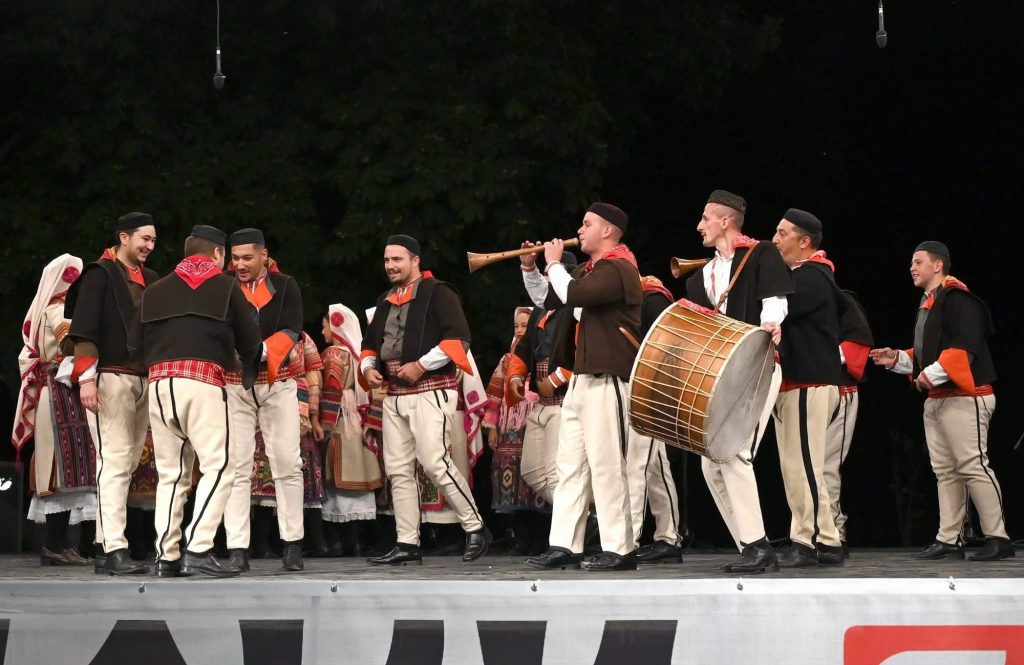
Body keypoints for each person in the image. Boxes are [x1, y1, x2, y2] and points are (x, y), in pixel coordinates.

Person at [128, 224, 262, 577]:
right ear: (217, 254)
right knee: (220, 467)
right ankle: (198, 549)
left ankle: (166, 556)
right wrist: (246, 370)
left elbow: (133, 344)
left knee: (171, 475)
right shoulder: (226, 286)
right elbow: (251, 340)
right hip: (201, 382)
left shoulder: (154, 289)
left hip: (160, 384)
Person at [870, 241, 1012, 561]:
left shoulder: (958, 299)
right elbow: (928, 355)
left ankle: (998, 537)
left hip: (966, 397)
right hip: (938, 399)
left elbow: (963, 347)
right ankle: (949, 538)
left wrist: (928, 374)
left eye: (918, 261)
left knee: (973, 466)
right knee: (945, 471)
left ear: (938, 266)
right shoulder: (929, 303)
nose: (912, 267)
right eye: (911, 262)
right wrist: (898, 358)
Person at [525, 202, 642, 571]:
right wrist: (531, 269)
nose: (580, 230)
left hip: (608, 378)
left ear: (607, 231)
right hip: (580, 379)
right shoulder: (589, 271)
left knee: (607, 466)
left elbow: (574, 293)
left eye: (587, 224)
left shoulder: (619, 267)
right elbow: (548, 299)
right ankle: (565, 544)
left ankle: (620, 548)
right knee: (570, 466)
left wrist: (554, 263)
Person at [360, 234, 490, 565]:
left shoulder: (438, 292)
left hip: (431, 388)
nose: (390, 266)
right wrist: (369, 368)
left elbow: (459, 339)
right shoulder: (385, 299)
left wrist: (420, 365)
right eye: (387, 260)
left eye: (397, 259)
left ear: (415, 260)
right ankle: (407, 542)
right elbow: (370, 344)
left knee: (434, 462)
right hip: (394, 394)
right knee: (398, 470)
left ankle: (476, 527)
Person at [684, 190, 790, 573]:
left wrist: (770, 324)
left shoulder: (761, 254)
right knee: (711, 465)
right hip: (720, 377)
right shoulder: (702, 277)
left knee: (733, 453)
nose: (699, 226)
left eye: (705, 218)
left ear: (725, 220)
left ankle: (758, 547)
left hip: (756, 367)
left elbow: (775, 299)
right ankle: (752, 546)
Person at [65, 212, 158, 575]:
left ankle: (106, 546)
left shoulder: (150, 278)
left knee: (127, 463)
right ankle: (114, 547)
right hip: (111, 377)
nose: (149, 245)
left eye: (153, 240)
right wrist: (86, 379)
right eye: (144, 238)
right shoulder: (100, 274)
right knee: (115, 461)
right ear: (124, 237)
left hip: (141, 378)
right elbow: (84, 328)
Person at [222, 229, 306, 572]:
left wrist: (257, 352)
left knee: (287, 462)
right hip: (234, 385)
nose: (240, 264)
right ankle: (237, 549)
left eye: (247, 258)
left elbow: (291, 329)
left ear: (264, 255)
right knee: (236, 466)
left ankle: (293, 544)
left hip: (277, 381)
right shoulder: (224, 287)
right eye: (235, 258)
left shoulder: (285, 286)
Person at [770, 208, 845, 567]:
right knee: (797, 466)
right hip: (798, 384)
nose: (774, 240)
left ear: (804, 242)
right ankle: (826, 540)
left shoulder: (812, 277)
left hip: (809, 383)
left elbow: (777, 304)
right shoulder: (804, 276)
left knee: (804, 466)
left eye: (782, 234)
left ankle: (810, 539)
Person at [13, 254, 96, 566]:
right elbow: (71, 344)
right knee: (62, 467)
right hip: (60, 391)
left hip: (61, 389)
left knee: (70, 467)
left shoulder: (46, 310)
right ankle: (54, 547)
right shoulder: (57, 310)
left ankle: (62, 547)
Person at [511, 248, 578, 504]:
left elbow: (583, 352)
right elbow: (524, 348)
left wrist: (556, 379)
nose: (548, 281)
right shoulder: (540, 310)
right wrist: (516, 377)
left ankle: (576, 522)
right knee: (532, 472)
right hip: (541, 403)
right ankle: (584, 514)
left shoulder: (575, 310)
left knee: (555, 474)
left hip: (563, 402)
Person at [630, 276, 685, 564]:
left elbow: (670, 346)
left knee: (641, 464)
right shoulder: (627, 299)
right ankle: (668, 536)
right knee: (653, 466)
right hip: (631, 387)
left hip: (652, 388)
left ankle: (629, 540)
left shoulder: (651, 297)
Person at [318, 304, 383, 552]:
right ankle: (355, 541)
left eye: (324, 326)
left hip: (340, 420)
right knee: (358, 475)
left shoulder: (334, 353)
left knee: (338, 477)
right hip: (356, 417)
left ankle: (338, 542)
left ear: (335, 326)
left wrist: (324, 424)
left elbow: (332, 388)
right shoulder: (358, 356)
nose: (322, 331)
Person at [484, 307, 547, 554]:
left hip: (536, 426)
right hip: (509, 432)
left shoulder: (543, 356)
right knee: (512, 489)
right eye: (517, 326)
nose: (520, 330)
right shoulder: (507, 360)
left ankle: (541, 542)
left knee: (537, 483)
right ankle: (521, 541)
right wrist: (492, 428)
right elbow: (494, 394)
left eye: (525, 326)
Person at [824, 290, 873, 552]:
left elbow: (857, 340)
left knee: (826, 466)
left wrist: (816, 357)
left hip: (837, 390)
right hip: (799, 393)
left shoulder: (840, 299)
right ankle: (808, 532)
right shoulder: (786, 299)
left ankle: (831, 532)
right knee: (800, 468)